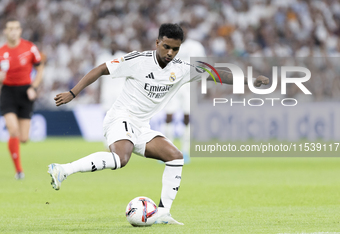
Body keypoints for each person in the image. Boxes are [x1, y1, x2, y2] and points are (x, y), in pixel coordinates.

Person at [48, 23, 269, 225]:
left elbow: (216, 74)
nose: (170, 53)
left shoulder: (182, 68)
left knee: (175, 157)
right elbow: (100, 69)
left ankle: (163, 212)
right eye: (166, 47)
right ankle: (63, 170)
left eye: (175, 49)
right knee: (120, 159)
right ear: (157, 43)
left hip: (142, 126)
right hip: (120, 117)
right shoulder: (138, 61)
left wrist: (250, 81)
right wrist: (72, 93)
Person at [0, 18, 44, 180]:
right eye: (10, 28)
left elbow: (40, 68)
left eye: (16, 28)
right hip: (8, 92)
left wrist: (33, 87)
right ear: (5, 31)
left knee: (24, 138)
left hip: (26, 93)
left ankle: (18, 167)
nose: (13, 31)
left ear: (20, 31)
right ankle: (19, 171)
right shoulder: (1, 51)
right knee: (13, 130)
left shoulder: (30, 48)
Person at [163, 21, 206, 163]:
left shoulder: (196, 47)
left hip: (189, 86)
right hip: (173, 85)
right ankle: (167, 151)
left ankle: (186, 151)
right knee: (169, 116)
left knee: (187, 118)